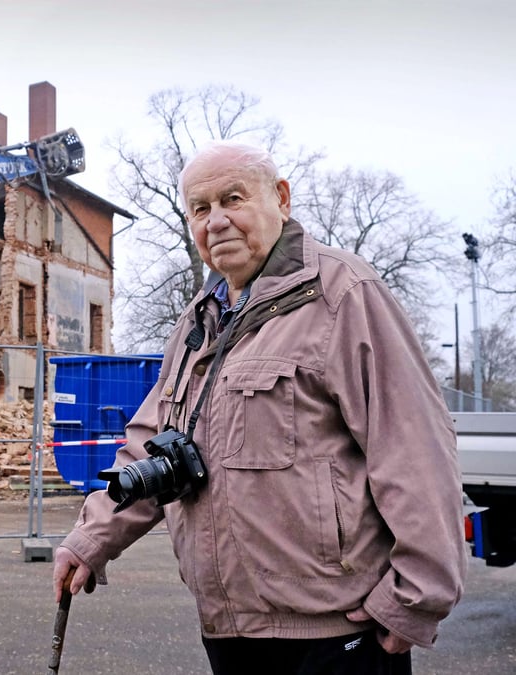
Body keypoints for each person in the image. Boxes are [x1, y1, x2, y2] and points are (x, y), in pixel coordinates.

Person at [53, 141, 467, 674]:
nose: (216, 221)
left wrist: (414, 597)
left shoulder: (343, 295)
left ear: (281, 199)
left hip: (337, 629)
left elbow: (413, 448)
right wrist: (91, 539)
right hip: (230, 629)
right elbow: (153, 447)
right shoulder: (198, 323)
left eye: (233, 199)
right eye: (200, 208)